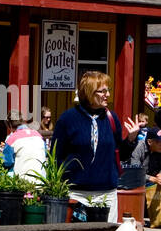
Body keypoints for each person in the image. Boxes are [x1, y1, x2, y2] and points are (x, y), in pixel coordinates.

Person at [54, 71, 133, 213]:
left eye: (108, 90)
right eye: (103, 91)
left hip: (106, 192)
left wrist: (131, 139)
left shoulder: (111, 118)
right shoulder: (68, 119)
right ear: (89, 93)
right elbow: (56, 155)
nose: (107, 95)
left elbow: (121, 155)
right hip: (75, 193)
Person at [2, 115, 46, 181]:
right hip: (42, 180)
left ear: (10, 126)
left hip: (23, 183)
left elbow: (7, 162)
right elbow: (44, 153)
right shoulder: (38, 135)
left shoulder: (12, 138)